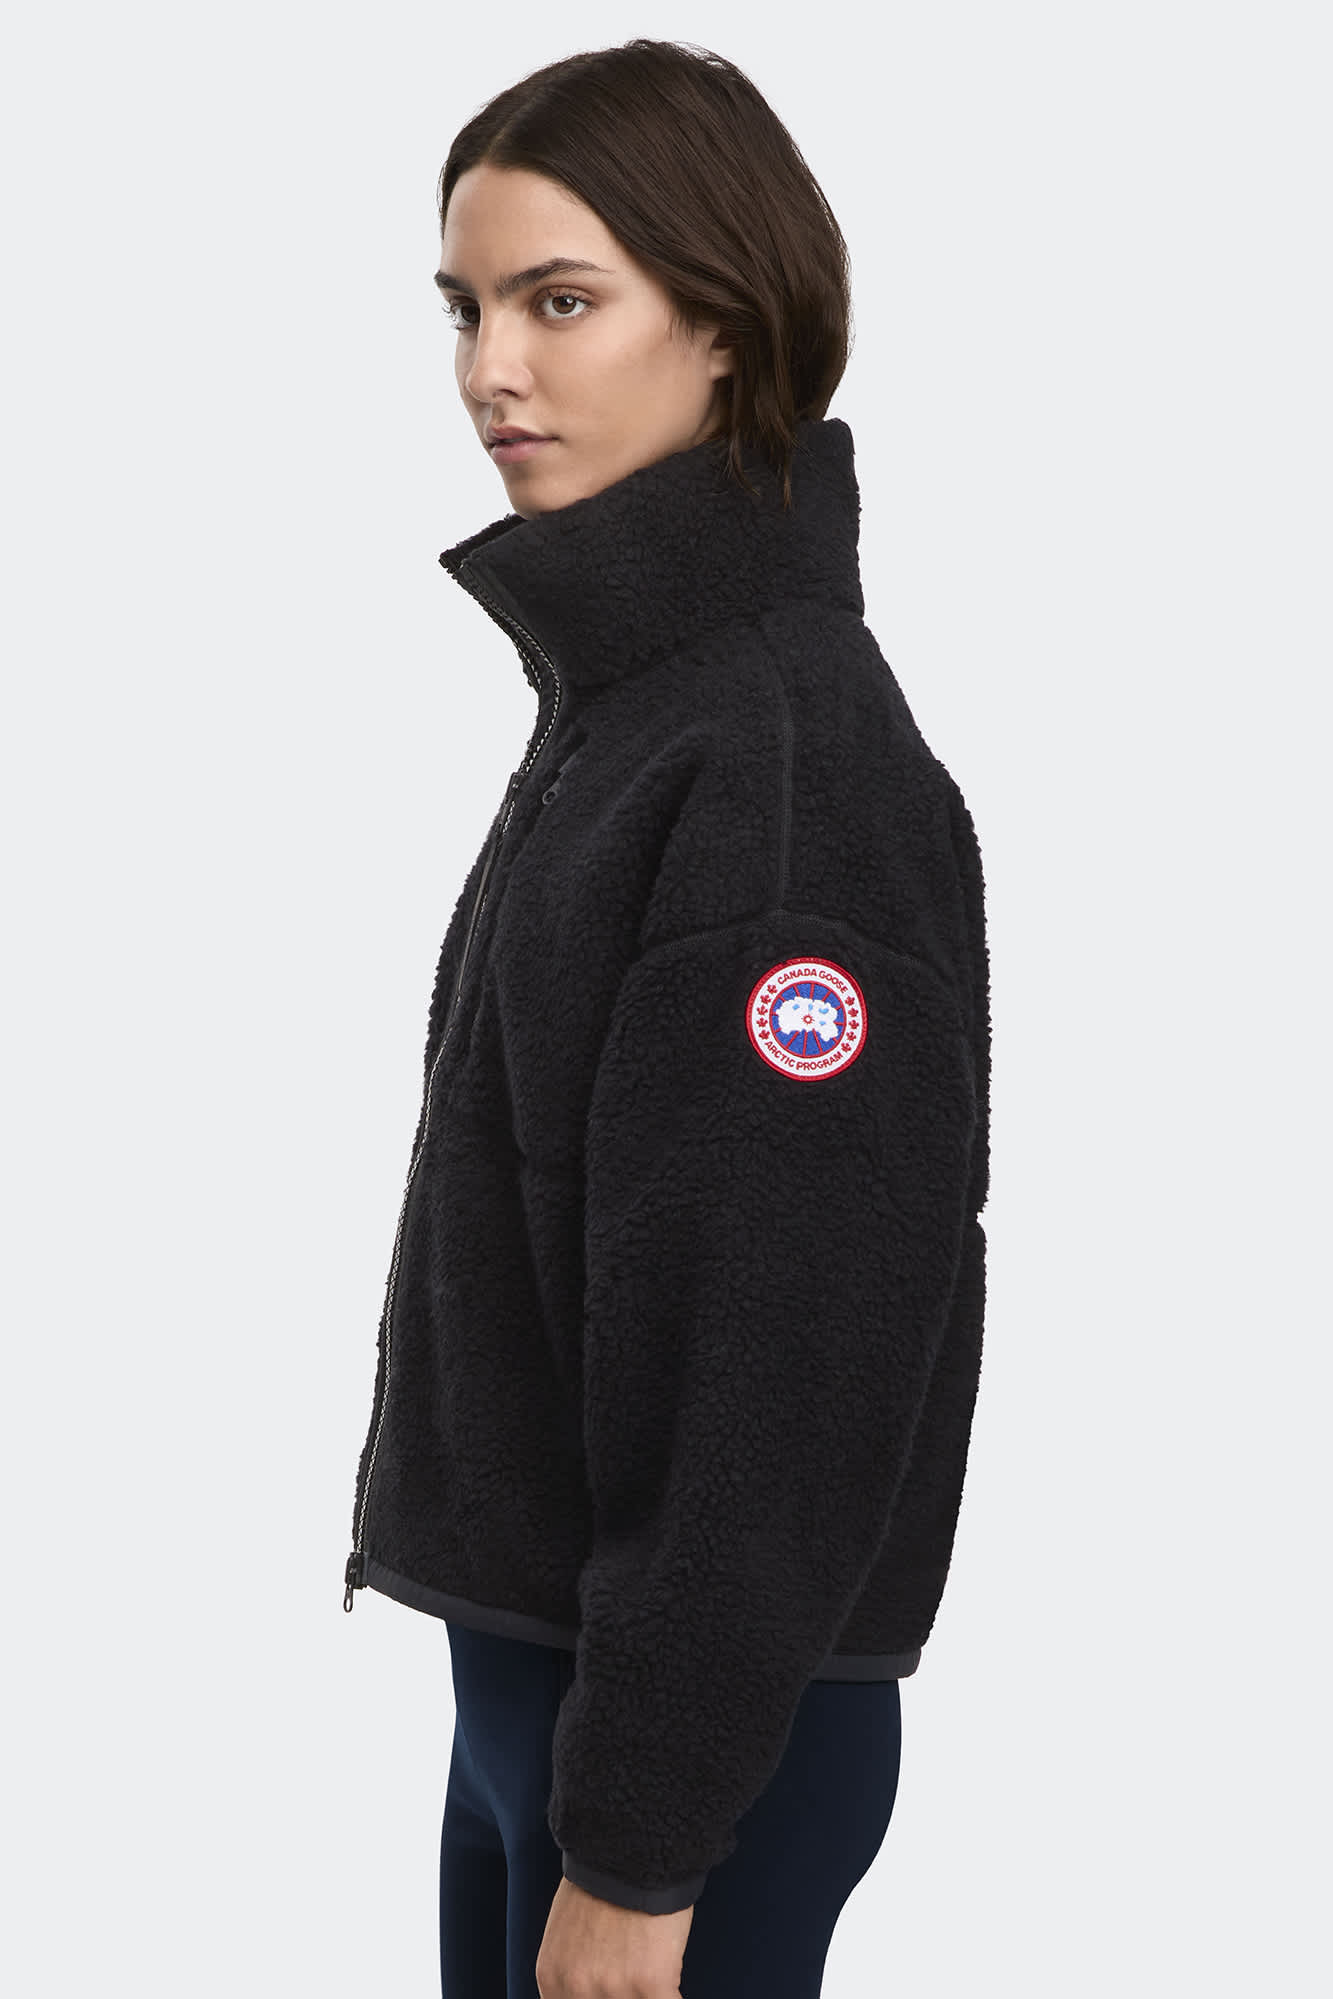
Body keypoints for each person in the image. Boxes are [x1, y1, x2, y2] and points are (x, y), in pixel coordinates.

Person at [343, 37, 991, 1999]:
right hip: (542, 1698)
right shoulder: (634, 720)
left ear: (725, 325)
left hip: (684, 1764)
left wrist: (637, 1844)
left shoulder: (780, 769)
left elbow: (780, 1362)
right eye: (464, 308)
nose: (491, 370)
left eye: (559, 302)